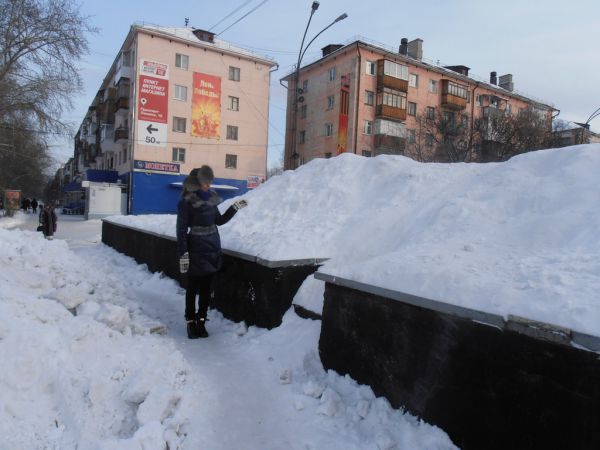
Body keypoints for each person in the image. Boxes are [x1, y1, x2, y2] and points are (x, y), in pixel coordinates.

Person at [176, 165, 248, 339]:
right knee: (193, 288)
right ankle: (190, 322)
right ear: (196, 183)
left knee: (207, 289)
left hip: (212, 248)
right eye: (205, 182)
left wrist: (234, 208)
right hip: (195, 250)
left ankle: (201, 321)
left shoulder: (211, 200)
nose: (208, 185)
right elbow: (181, 230)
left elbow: (219, 220)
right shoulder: (186, 203)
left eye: (209, 182)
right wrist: (183, 254)